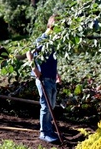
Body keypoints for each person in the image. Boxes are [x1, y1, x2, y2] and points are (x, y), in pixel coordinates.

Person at [26, 14, 62, 143]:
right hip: (43, 78)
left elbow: (53, 60)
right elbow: (29, 52)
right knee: (46, 106)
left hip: (51, 77)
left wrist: (57, 73)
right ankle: (44, 132)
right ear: (52, 27)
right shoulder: (43, 39)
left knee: (51, 105)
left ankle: (49, 129)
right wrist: (34, 69)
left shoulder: (53, 42)